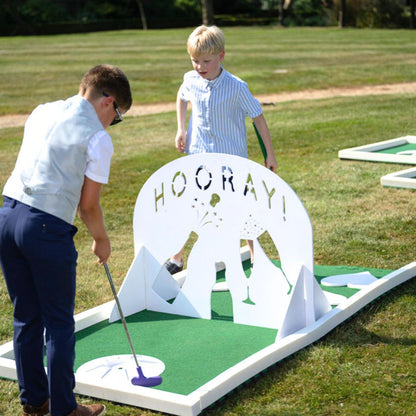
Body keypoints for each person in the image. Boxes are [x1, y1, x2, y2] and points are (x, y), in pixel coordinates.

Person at [0, 64, 132, 416]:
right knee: (59, 322)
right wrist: (101, 240)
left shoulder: (42, 109)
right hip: (45, 227)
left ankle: (34, 402)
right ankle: (64, 409)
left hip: (8, 216)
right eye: (117, 115)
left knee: (26, 316)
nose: (113, 123)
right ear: (108, 102)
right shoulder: (98, 137)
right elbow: (88, 206)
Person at [165, 25, 278, 275]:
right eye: (195, 60)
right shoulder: (190, 80)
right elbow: (182, 97)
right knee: (190, 203)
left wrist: (269, 154)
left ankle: (256, 254)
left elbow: (258, 117)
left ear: (221, 56)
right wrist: (181, 129)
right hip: (198, 155)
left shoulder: (237, 87)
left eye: (206, 61)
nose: (200, 66)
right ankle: (177, 258)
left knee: (240, 207)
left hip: (231, 159)